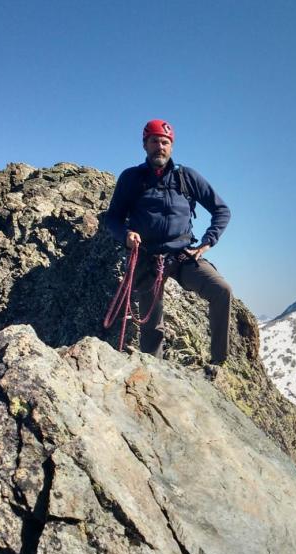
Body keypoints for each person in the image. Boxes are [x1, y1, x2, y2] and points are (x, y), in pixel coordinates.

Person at [104, 119, 232, 369]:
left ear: (171, 147)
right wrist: (126, 235)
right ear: (145, 145)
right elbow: (113, 219)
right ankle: (154, 372)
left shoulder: (186, 177)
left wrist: (207, 243)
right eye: (154, 141)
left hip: (183, 256)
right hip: (147, 258)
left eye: (165, 142)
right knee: (152, 325)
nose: (159, 147)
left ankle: (218, 361)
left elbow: (221, 210)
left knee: (221, 291)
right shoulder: (132, 178)